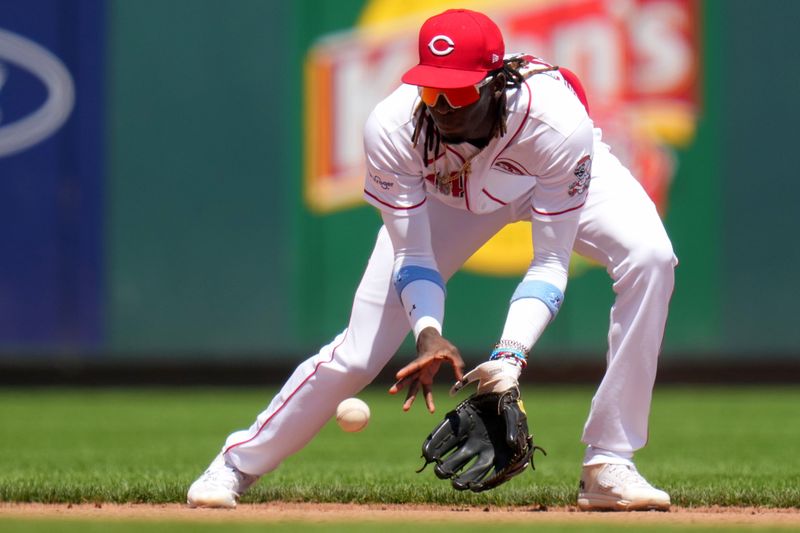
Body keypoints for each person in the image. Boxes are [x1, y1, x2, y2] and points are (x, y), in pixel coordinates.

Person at [187, 8, 676, 512]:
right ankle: (235, 464)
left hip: (539, 177)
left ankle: (608, 461)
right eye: (430, 88)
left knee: (651, 258)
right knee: (358, 353)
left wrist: (509, 359)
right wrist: (428, 331)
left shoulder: (555, 122)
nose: (442, 105)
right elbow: (414, 254)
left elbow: (550, 262)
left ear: (496, 82)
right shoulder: (395, 128)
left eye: (460, 91)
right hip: (452, 200)